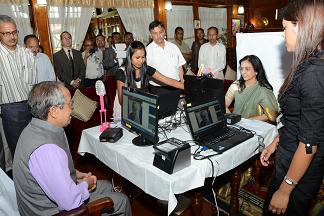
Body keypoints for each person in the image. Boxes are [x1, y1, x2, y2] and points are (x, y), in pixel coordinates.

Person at [13, 81, 131, 216]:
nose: (72, 109)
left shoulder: (34, 128)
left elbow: (48, 171)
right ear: (54, 111)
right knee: (122, 200)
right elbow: (70, 202)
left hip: (44, 204)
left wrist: (76, 173)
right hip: (53, 212)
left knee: (107, 185)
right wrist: (85, 184)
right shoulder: (47, 150)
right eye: (70, 104)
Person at [260, 1, 324, 215]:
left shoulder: (313, 73)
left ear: (302, 27)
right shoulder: (309, 64)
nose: (282, 33)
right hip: (290, 160)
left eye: (285, 27)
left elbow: (308, 143)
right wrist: (277, 142)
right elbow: (298, 119)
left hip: (298, 175)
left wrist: (286, 189)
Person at [0, 15, 37, 163]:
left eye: (14, 32)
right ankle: (22, 183)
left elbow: (33, 82)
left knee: (35, 146)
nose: (12, 36)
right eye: (6, 33)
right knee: (18, 150)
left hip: (31, 105)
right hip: (11, 108)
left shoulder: (27, 53)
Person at [116, 41, 184, 105]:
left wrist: (187, 87)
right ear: (129, 57)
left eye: (143, 57)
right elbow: (121, 101)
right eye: (137, 58)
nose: (141, 61)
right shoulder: (122, 72)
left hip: (141, 104)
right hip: (125, 107)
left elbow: (168, 81)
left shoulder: (146, 68)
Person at [225, 55, 278, 122]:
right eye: (242, 68)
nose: (243, 72)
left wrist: (246, 121)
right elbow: (223, 104)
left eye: (247, 69)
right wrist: (233, 119)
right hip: (236, 125)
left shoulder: (263, 89)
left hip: (255, 126)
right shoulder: (236, 85)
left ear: (256, 71)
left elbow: (272, 114)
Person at [146, 20, 186, 86]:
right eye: (155, 33)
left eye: (160, 32)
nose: (158, 35)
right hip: (158, 89)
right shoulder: (147, 50)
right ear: (150, 35)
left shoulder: (173, 47)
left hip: (176, 86)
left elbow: (180, 67)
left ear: (164, 32)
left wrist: (183, 84)